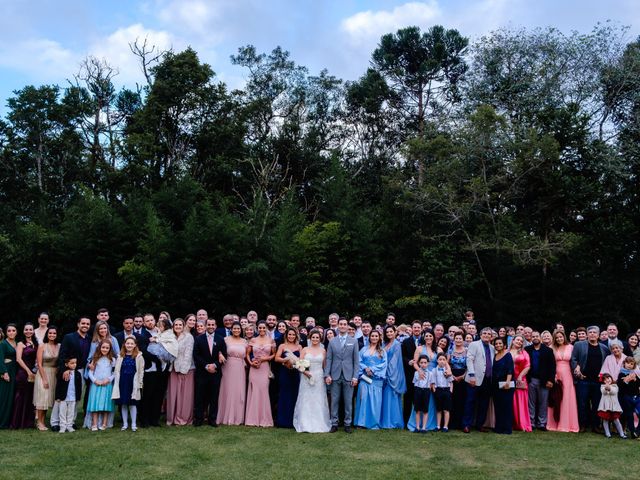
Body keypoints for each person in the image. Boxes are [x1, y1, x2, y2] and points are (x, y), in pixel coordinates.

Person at [571, 326, 610, 432]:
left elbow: (606, 364)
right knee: (582, 403)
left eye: (594, 332)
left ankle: (596, 426)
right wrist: (577, 370)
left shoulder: (604, 348)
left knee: (597, 404)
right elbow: (574, 359)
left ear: (598, 335)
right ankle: (583, 424)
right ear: (587, 334)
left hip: (598, 381)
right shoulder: (579, 345)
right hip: (583, 379)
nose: (592, 334)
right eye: (590, 332)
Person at [324, 318, 360, 433]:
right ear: (338, 326)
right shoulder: (332, 341)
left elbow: (356, 361)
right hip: (335, 375)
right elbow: (329, 359)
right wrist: (327, 374)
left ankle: (347, 423)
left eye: (345, 324)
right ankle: (334, 423)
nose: (343, 326)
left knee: (348, 401)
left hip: (349, 376)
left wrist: (355, 377)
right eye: (341, 324)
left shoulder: (353, 341)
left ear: (347, 326)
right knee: (334, 401)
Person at [293, 329, 332, 432]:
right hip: (306, 377)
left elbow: (325, 366)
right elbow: (299, 364)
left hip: (319, 376)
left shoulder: (323, 351)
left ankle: (319, 423)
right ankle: (305, 423)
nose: (315, 339)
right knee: (306, 398)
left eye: (317, 338)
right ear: (310, 338)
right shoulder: (305, 349)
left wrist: (326, 376)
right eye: (313, 337)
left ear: (320, 339)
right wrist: (305, 373)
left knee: (318, 399)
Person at [57, 317, 91, 427]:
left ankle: (71, 421)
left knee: (76, 397)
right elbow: (62, 354)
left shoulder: (89, 339)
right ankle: (57, 422)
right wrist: (65, 369)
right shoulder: (69, 337)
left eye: (87, 324)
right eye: (83, 323)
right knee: (63, 396)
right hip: (70, 370)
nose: (85, 325)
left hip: (84, 371)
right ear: (78, 324)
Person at [193, 318, 227, 427]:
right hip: (202, 372)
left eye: (213, 324)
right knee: (200, 397)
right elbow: (196, 355)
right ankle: (198, 419)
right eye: (209, 324)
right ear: (206, 325)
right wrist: (206, 366)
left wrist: (215, 365)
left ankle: (212, 419)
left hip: (215, 373)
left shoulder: (221, 339)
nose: (211, 326)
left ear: (216, 326)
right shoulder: (199, 339)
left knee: (214, 397)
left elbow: (224, 355)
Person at [462, 327, 495, 433]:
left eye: (488, 334)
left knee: (484, 403)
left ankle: (480, 424)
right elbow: (469, 359)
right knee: (470, 402)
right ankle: (466, 425)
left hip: (487, 380)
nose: (486, 335)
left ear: (491, 336)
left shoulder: (492, 348)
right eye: (484, 333)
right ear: (480, 335)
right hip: (474, 378)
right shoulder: (474, 344)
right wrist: (471, 375)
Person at [547, 330, 579, 433]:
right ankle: (553, 423)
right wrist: (553, 376)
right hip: (555, 375)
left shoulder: (571, 347)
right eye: (557, 338)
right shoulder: (551, 348)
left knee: (566, 398)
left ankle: (566, 424)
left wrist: (578, 367)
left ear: (564, 337)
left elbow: (575, 361)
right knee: (555, 397)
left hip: (567, 376)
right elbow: (550, 363)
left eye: (560, 337)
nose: (559, 339)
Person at [354, 331, 387, 430]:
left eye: (376, 336)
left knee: (375, 401)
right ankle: (361, 423)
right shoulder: (364, 349)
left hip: (376, 379)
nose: (374, 337)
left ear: (379, 337)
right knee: (363, 399)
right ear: (369, 337)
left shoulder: (382, 351)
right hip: (364, 378)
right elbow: (358, 361)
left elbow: (384, 364)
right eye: (372, 336)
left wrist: (372, 370)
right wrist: (365, 368)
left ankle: (373, 423)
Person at [245, 321, 276, 427]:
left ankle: (264, 418)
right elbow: (247, 354)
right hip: (254, 368)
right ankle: (252, 418)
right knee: (254, 391)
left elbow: (274, 355)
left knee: (263, 391)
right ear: (257, 329)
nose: (262, 329)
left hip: (265, 367)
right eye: (260, 328)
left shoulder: (271, 340)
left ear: (266, 328)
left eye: (263, 328)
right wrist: (251, 363)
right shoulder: (253, 340)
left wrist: (265, 359)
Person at [217, 322, 248, 426]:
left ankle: (237, 417)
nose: (236, 330)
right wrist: (220, 354)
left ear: (241, 330)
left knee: (238, 391)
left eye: (238, 328)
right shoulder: (225, 340)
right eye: (234, 328)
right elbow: (218, 350)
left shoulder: (245, 341)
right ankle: (224, 416)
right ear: (231, 329)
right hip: (228, 366)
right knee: (227, 390)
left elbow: (248, 355)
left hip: (240, 367)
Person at [525, 331, 556, 431]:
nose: (535, 338)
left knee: (543, 402)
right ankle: (532, 422)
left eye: (537, 336)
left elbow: (552, 366)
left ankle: (542, 423)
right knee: (531, 403)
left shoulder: (548, 350)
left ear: (540, 338)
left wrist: (551, 380)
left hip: (544, 380)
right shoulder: (527, 349)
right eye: (533, 336)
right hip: (531, 379)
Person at [166, 318, 195, 426]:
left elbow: (188, 354)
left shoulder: (188, 337)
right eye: (176, 325)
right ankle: (171, 418)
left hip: (186, 369)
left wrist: (183, 370)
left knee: (184, 395)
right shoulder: (170, 337)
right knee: (173, 393)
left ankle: (182, 419)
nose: (178, 326)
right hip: (173, 369)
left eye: (180, 325)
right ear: (173, 326)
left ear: (183, 326)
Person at [112, 337, 144, 431]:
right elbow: (117, 370)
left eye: (131, 344)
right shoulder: (120, 356)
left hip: (133, 382)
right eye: (128, 343)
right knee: (124, 403)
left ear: (135, 345)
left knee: (132, 403)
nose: (129, 345)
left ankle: (133, 424)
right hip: (123, 381)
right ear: (124, 345)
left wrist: (140, 383)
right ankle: (125, 424)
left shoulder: (139, 356)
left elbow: (141, 371)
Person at [11, 323, 38, 429]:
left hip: (34, 373)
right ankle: (17, 422)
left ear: (33, 331)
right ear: (23, 331)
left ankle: (28, 422)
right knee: (20, 397)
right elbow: (18, 359)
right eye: (26, 329)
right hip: (23, 373)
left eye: (30, 329)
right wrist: (28, 371)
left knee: (30, 397)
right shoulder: (20, 344)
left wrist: (34, 371)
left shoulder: (35, 343)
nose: (28, 331)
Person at [274, 327, 301, 428]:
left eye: (293, 335)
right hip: (285, 373)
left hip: (295, 374)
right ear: (286, 335)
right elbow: (276, 358)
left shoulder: (299, 347)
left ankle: (293, 421)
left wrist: (296, 362)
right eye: (289, 334)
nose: (291, 336)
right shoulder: (282, 346)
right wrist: (286, 360)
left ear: (296, 336)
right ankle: (282, 421)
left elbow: (301, 360)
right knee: (284, 396)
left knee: (294, 395)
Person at [33, 326, 59, 431]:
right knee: (42, 398)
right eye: (50, 333)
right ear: (47, 334)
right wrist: (44, 379)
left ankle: (43, 420)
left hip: (54, 374)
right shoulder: (42, 346)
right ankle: (39, 422)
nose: (52, 335)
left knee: (47, 399)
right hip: (42, 372)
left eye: (54, 333)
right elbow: (39, 364)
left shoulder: (59, 346)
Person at [86, 340, 115, 431]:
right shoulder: (95, 359)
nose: (105, 349)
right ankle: (94, 424)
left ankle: (104, 423)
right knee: (95, 403)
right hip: (96, 384)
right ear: (99, 348)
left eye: (107, 348)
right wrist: (95, 380)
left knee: (106, 404)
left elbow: (115, 373)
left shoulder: (113, 360)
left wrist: (109, 379)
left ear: (110, 349)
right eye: (103, 347)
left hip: (107, 384)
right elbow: (90, 373)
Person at [380, 325, 406, 429]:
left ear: (395, 332)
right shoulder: (384, 344)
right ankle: (384, 419)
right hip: (382, 373)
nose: (389, 334)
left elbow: (395, 361)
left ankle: (393, 421)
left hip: (391, 375)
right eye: (387, 332)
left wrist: (387, 373)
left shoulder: (397, 344)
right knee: (384, 399)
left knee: (391, 398)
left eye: (391, 331)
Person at [401, 321, 423, 425]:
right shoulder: (406, 341)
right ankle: (406, 420)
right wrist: (408, 361)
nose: (417, 329)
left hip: (422, 373)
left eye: (419, 327)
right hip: (409, 373)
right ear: (412, 329)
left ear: (421, 329)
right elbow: (403, 356)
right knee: (408, 397)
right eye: (415, 327)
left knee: (420, 397)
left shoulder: (425, 340)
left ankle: (418, 421)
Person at [491, 337, 514, 434]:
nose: (498, 345)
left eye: (500, 343)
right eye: (496, 344)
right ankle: (498, 428)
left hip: (506, 384)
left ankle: (507, 428)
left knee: (507, 406)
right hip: (496, 385)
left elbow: (510, 369)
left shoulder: (508, 355)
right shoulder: (495, 356)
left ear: (504, 345)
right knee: (498, 406)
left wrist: (508, 382)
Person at [509, 334, 532, 432]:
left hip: (520, 379)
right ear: (513, 341)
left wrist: (520, 376)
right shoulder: (507, 351)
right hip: (508, 379)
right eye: (517, 340)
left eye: (521, 341)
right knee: (510, 401)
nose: (519, 342)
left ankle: (521, 424)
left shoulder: (524, 352)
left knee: (520, 401)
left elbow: (528, 366)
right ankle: (511, 423)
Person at [55, 357, 82, 434]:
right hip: (63, 397)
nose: (74, 365)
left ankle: (69, 426)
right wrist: (57, 397)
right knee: (62, 412)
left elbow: (79, 387)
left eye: (75, 363)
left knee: (71, 412)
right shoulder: (62, 373)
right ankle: (62, 426)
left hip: (73, 397)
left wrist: (78, 397)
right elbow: (58, 385)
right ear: (66, 364)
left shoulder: (78, 374)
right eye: (72, 363)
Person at [430, 352, 453, 432]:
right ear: (437, 360)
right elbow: (432, 382)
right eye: (440, 359)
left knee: (446, 409)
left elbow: (451, 382)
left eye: (444, 359)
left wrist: (450, 391)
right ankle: (438, 426)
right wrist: (434, 390)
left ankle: (445, 426)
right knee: (439, 409)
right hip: (438, 390)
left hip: (446, 390)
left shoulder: (448, 370)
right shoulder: (434, 370)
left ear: (446, 361)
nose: (442, 361)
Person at [0, 324, 18, 428]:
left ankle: (10, 421)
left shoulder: (18, 343)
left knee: (12, 397)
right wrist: (4, 372)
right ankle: (2, 422)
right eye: (9, 331)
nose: (11, 332)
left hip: (15, 371)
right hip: (7, 372)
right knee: (4, 397)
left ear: (16, 332)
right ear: (6, 333)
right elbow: (0, 359)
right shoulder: (3, 344)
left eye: (13, 330)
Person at [598, 373, 626, 438]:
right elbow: (603, 392)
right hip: (605, 407)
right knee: (605, 420)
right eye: (605, 380)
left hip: (614, 407)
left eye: (608, 378)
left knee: (616, 420)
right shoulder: (602, 386)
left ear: (611, 378)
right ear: (603, 381)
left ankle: (622, 434)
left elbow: (614, 392)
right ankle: (607, 433)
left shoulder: (615, 386)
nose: (607, 380)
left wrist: (609, 388)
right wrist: (606, 388)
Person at [449, 332, 467, 430]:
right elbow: (447, 364)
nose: (458, 340)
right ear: (454, 339)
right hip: (452, 377)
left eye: (460, 338)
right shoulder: (450, 350)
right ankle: (452, 423)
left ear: (463, 340)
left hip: (463, 377)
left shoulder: (467, 351)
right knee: (453, 399)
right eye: (457, 338)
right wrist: (451, 375)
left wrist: (463, 376)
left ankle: (461, 423)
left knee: (462, 400)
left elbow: (469, 365)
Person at [617, 356, 639, 438]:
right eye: (627, 363)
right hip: (625, 398)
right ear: (624, 364)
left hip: (634, 397)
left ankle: (636, 431)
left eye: (631, 364)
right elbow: (620, 387)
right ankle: (632, 431)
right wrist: (626, 381)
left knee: (636, 413)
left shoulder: (634, 374)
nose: (629, 365)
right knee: (628, 414)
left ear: (634, 365)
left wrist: (635, 380)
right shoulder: (621, 374)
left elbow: (637, 386)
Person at [412, 355, 430, 433]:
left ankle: (424, 427)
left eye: (425, 363)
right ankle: (417, 427)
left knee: (425, 410)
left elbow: (431, 383)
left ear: (428, 363)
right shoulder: (416, 373)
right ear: (419, 363)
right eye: (421, 362)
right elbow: (414, 383)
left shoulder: (430, 373)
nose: (423, 364)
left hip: (426, 391)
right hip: (418, 390)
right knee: (417, 410)